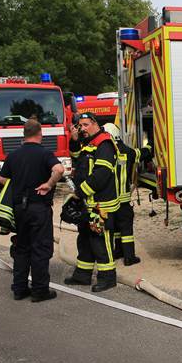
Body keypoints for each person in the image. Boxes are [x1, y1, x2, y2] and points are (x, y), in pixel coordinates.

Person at [0, 119, 65, 302]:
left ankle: (19, 289)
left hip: (19, 209)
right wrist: (49, 184)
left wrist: (18, 185)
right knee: (40, 248)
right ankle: (40, 291)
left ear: (24, 134)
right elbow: (59, 170)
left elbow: (1, 179)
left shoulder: (13, 155)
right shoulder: (45, 153)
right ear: (40, 133)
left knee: (21, 248)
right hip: (39, 207)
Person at [64, 112, 120, 292]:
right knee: (85, 240)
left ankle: (108, 278)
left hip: (101, 205)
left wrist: (79, 192)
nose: (82, 129)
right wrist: (74, 140)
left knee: (101, 242)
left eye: (86, 125)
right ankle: (82, 275)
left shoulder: (104, 144)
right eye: (80, 126)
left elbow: (101, 175)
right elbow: (77, 157)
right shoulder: (89, 143)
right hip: (87, 203)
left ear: (95, 124)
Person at [103, 122, 152, 265]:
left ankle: (117, 251)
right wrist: (151, 144)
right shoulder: (127, 151)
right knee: (126, 229)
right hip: (124, 200)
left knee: (115, 228)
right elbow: (141, 153)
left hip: (110, 200)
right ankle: (129, 257)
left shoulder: (103, 152)